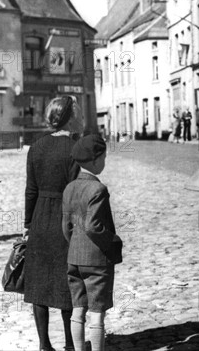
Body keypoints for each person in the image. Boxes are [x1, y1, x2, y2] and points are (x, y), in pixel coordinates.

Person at [24, 96, 84, 351]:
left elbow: (30, 190)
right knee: (66, 281)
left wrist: (27, 224)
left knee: (38, 283)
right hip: (65, 220)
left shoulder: (35, 147)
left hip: (39, 219)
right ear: (69, 117)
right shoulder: (75, 147)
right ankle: (71, 344)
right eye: (78, 113)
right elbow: (76, 190)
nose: (80, 116)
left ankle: (44, 344)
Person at [62, 134, 122, 351]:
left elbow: (66, 226)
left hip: (74, 259)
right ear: (96, 160)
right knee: (97, 314)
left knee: (78, 310)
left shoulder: (69, 188)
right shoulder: (98, 189)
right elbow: (93, 226)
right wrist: (113, 241)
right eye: (104, 158)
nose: (104, 162)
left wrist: (75, 246)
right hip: (96, 261)